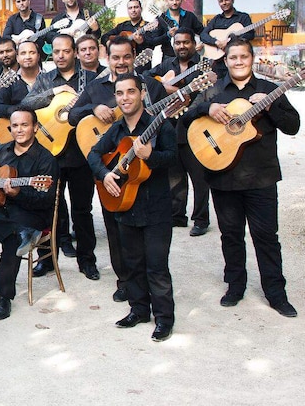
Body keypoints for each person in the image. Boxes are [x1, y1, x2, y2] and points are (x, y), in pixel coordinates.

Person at [183, 38, 300, 317]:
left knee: (266, 236)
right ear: (226, 61)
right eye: (233, 57)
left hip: (261, 178)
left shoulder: (269, 90)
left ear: (251, 59)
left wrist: (271, 107)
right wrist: (206, 108)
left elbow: (293, 126)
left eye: (243, 57)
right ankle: (235, 285)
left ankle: (275, 292)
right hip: (223, 176)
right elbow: (187, 117)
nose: (238, 62)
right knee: (231, 235)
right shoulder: (213, 91)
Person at [67, 36, 168, 299]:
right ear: (107, 58)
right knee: (114, 228)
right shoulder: (95, 86)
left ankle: (150, 287)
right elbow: (72, 116)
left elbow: (166, 128)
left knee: (149, 235)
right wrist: (94, 107)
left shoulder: (150, 87)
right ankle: (125, 282)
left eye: (126, 57)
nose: (121, 62)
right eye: (115, 57)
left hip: (145, 174)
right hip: (113, 169)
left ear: (134, 57)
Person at [87, 75, 177, 341]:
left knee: (157, 266)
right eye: (119, 93)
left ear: (141, 94)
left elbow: (173, 158)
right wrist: (104, 175)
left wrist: (151, 156)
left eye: (130, 92)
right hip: (125, 205)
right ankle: (138, 309)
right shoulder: (115, 130)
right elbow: (93, 154)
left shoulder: (160, 125)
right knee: (133, 263)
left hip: (156, 208)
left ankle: (164, 318)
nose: (125, 98)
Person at [0, 107, 59, 320]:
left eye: (25, 125)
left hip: (30, 213)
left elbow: (45, 200)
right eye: (15, 126)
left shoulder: (46, 160)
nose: (19, 130)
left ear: (35, 128)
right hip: (3, 211)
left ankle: (3, 298)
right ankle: (19, 236)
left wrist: (18, 194)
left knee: (13, 239)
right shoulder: (2, 150)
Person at [23, 34, 96, 271]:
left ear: (75, 52)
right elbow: (26, 104)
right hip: (50, 153)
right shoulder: (45, 79)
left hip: (80, 153)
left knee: (82, 209)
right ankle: (47, 260)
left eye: (66, 51)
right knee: (47, 207)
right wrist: (54, 92)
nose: (61, 56)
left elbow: (100, 107)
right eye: (56, 52)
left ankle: (87, 261)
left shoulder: (90, 78)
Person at [148, 28, 212, 234]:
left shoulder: (203, 67)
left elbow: (209, 94)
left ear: (194, 44)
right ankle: (177, 216)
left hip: (195, 126)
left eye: (186, 42)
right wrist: (166, 87)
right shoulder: (167, 64)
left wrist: (189, 100)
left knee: (199, 176)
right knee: (174, 174)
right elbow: (146, 77)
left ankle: (201, 219)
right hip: (171, 128)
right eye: (178, 43)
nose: (181, 46)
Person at [200, 0, 253, 78]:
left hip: (237, 61)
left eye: (227, 0)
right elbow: (203, 35)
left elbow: (250, 35)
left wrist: (230, 41)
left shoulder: (243, 17)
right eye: (221, 1)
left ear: (232, 0)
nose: (224, 3)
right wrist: (216, 42)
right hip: (219, 62)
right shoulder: (216, 19)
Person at [101, 0, 167, 69]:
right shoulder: (122, 26)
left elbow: (151, 47)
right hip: (122, 66)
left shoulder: (147, 26)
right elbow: (104, 37)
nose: (133, 10)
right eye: (130, 8)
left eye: (136, 7)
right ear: (127, 10)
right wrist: (109, 43)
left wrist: (142, 42)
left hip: (141, 66)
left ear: (141, 9)